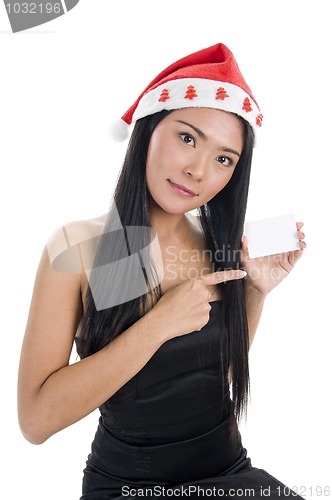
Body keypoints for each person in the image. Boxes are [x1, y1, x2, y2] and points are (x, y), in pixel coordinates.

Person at [18, 43, 306, 499]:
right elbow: (36, 421)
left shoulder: (219, 245)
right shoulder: (79, 247)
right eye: (187, 137)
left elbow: (214, 374)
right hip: (129, 486)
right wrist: (158, 325)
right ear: (149, 129)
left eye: (224, 159)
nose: (198, 171)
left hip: (228, 474)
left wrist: (255, 292)